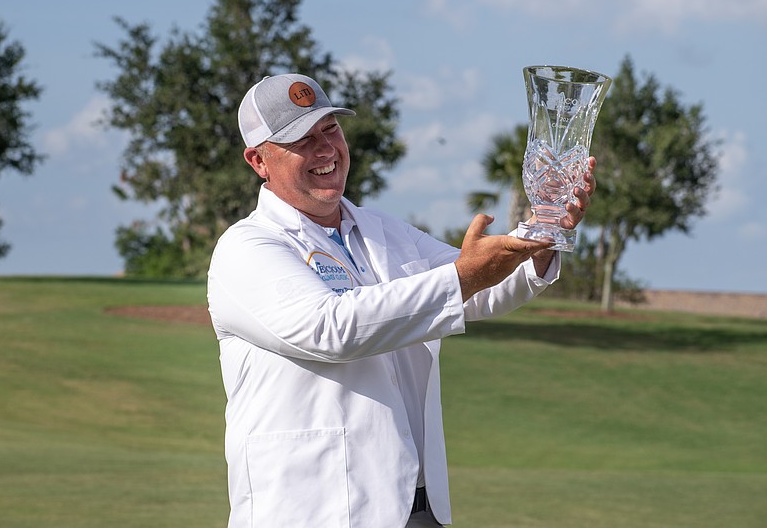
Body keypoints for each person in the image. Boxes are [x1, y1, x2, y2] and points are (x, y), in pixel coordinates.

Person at [207, 73, 595, 528]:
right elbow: (332, 330)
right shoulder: (247, 247)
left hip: (417, 509)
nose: (326, 149)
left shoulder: (383, 230)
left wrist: (544, 230)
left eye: (330, 129)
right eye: (302, 140)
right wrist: (461, 277)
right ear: (258, 161)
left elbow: (480, 288)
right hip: (311, 512)